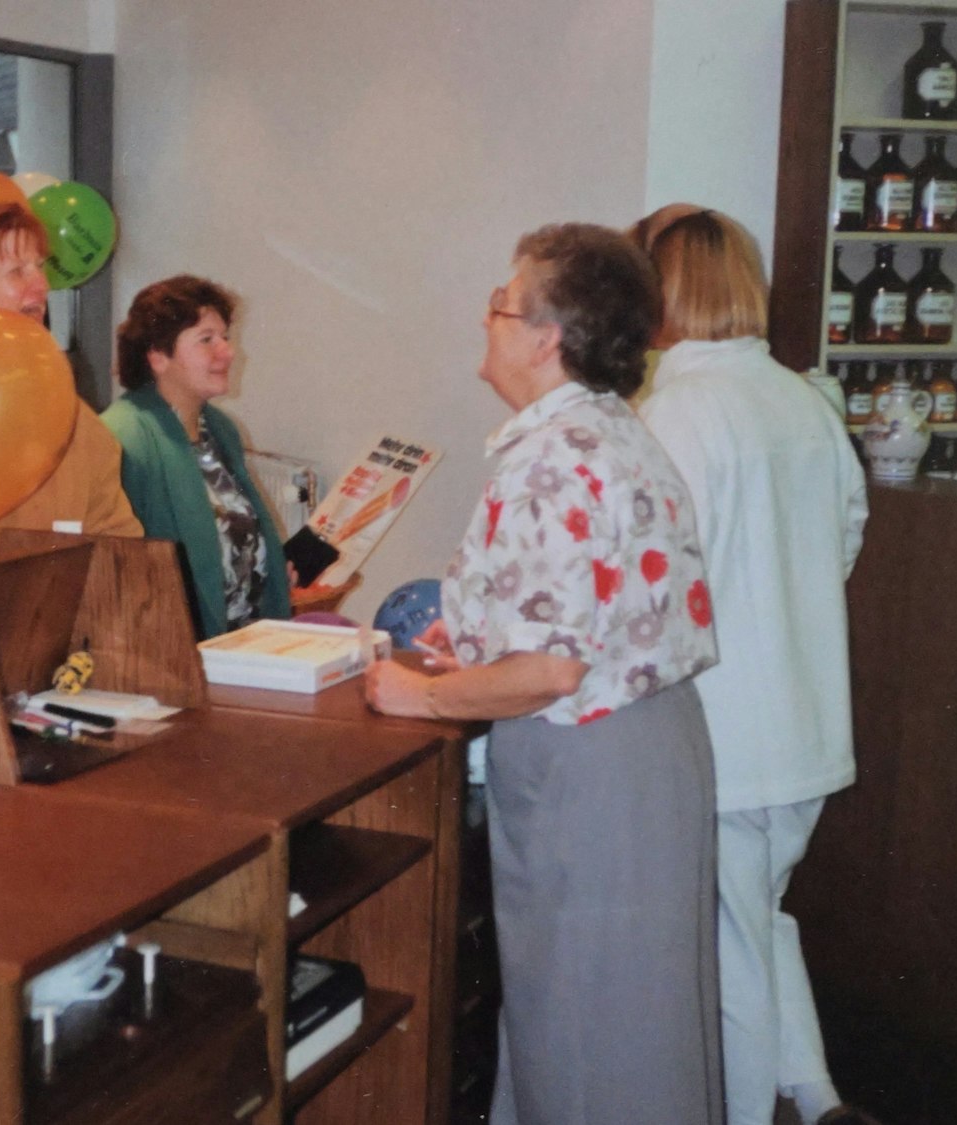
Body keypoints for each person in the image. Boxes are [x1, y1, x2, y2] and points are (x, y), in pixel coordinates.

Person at [366, 223, 722, 1124]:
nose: (485, 320)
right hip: (649, 752)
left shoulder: (552, 460)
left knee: (584, 1031)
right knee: (631, 1025)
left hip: (590, 773)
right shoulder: (610, 432)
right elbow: (586, 616)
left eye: (501, 305)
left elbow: (555, 669)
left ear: (544, 339)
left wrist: (425, 693)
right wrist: (485, 644)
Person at [635, 205, 870, 1125]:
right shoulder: (804, 402)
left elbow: (658, 584)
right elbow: (843, 541)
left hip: (725, 734)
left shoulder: (673, 413)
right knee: (757, 917)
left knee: (725, 946)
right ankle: (816, 1096)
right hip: (806, 725)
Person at [0, 202, 141, 540]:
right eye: (17, 271)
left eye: (39, 267)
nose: (41, 284)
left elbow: (120, 548)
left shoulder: (80, 426)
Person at [100, 276, 291, 639]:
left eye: (225, 337)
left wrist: (270, 566)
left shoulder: (219, 429)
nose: (227, 351)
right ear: (158, 356)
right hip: (174, 650)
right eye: (206, 340)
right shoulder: (123, 436)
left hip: (243, 645)